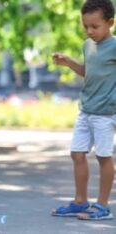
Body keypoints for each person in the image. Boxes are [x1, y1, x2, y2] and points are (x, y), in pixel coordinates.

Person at [51, 0, 115, 221]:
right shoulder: (87, 45)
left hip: (106, 113)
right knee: (77, 154)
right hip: (86, 109)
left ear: (110, 23)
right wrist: (69, 63)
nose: (89, 31)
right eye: (85, 26)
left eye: (95, 27)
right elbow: (89, 72)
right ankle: (81, 201)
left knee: (103, 156)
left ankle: (103, 206)